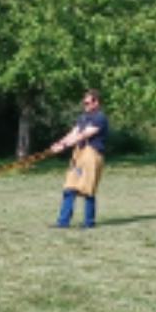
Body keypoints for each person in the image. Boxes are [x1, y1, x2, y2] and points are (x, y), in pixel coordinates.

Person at [49, 89, 108, 229]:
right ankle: (63, 222)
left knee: (88, 189)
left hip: (92, 154)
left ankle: (89, 222)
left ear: (96, 102)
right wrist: (59, 143)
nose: (85, 105)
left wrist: (64, 146)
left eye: (87, 102)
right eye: (84, 102)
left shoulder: (100, 118)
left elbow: (84, 135)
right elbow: (74, 132)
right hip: (79, 153)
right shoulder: (83, 117)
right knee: (69, 187)